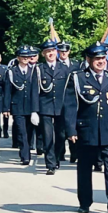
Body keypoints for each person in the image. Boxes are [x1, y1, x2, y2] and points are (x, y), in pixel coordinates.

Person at [63, 41, 108, 213]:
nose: (101, 61)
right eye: (97, 58)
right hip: (87, 131)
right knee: (84, 169)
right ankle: (85, 202)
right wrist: (71, 130)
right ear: (89, 59)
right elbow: (69, 106)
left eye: (103, 58)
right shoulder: (78, 78)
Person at [31, 40, 68, 175]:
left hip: (61, 106)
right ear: (43, 54)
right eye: (47, 52)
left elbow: (68, 90)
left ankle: (57, 157)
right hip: (45, 106)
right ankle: (50, 164)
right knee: (47, 136)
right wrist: (34, 110)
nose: (50, 54)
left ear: (56, 52)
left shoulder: (64, 68)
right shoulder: (39, 69)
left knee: (61, 135)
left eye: (52, 51)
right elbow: (34, 90)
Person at [4, 45, 37, 165]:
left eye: (27, 56)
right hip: (17, 106)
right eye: (23, 56)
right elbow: (8, 91)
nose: (26, 58)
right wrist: (6, 107)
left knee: (29, 132)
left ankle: (26, 150)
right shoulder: (12, 72)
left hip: (30, 106)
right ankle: (25, 156)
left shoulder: (34, 71)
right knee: (21, 131)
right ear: (18, 57)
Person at [58, 41, 80, 163]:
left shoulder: (76, 65)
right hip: (60, 101)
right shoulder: (55, 65)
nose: (64, 53)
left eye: (66, 51)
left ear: (69, 52)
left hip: (73, 101)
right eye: (61, 51)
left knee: (73, 128)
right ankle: (60, 153)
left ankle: (74, 154)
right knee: (61, 130)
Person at [28, 48, 43, 156]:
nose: (32, 57)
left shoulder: (40, 68)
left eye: (34, 55)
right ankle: (28, 145)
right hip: (26, 100)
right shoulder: (23, 67)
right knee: (28, 126)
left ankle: (40, 146)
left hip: (39, 100)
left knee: (40, 125)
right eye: (30, 55)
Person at [0, 52, 11, 139]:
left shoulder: (5, 68)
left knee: (6, 115)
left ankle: (5, 130)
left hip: (4, 95)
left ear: (0, 59)